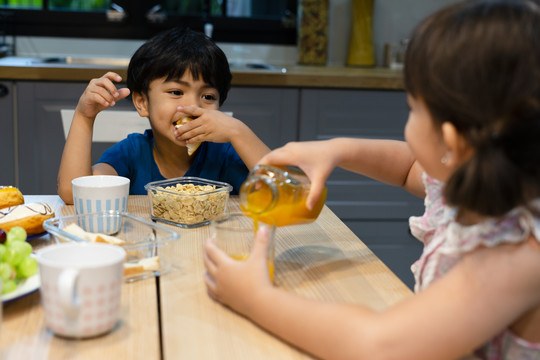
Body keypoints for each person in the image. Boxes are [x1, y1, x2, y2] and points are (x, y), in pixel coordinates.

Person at [203, 1, 540, 359]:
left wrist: (256, 299)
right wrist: (337, 150)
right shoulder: (478, 176)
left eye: (414, 109)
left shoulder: (517, 254)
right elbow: (409, 166)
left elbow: (380, 346)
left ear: (452, 143)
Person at [57, 27, 270, 204]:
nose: (193, 106)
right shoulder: (132, 153)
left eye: (207, 96)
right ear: (142, 103)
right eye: (176, 92)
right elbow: (73, 194)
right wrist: (84, 117)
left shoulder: (224, 154)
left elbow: (292, 192)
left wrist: (238, 131)